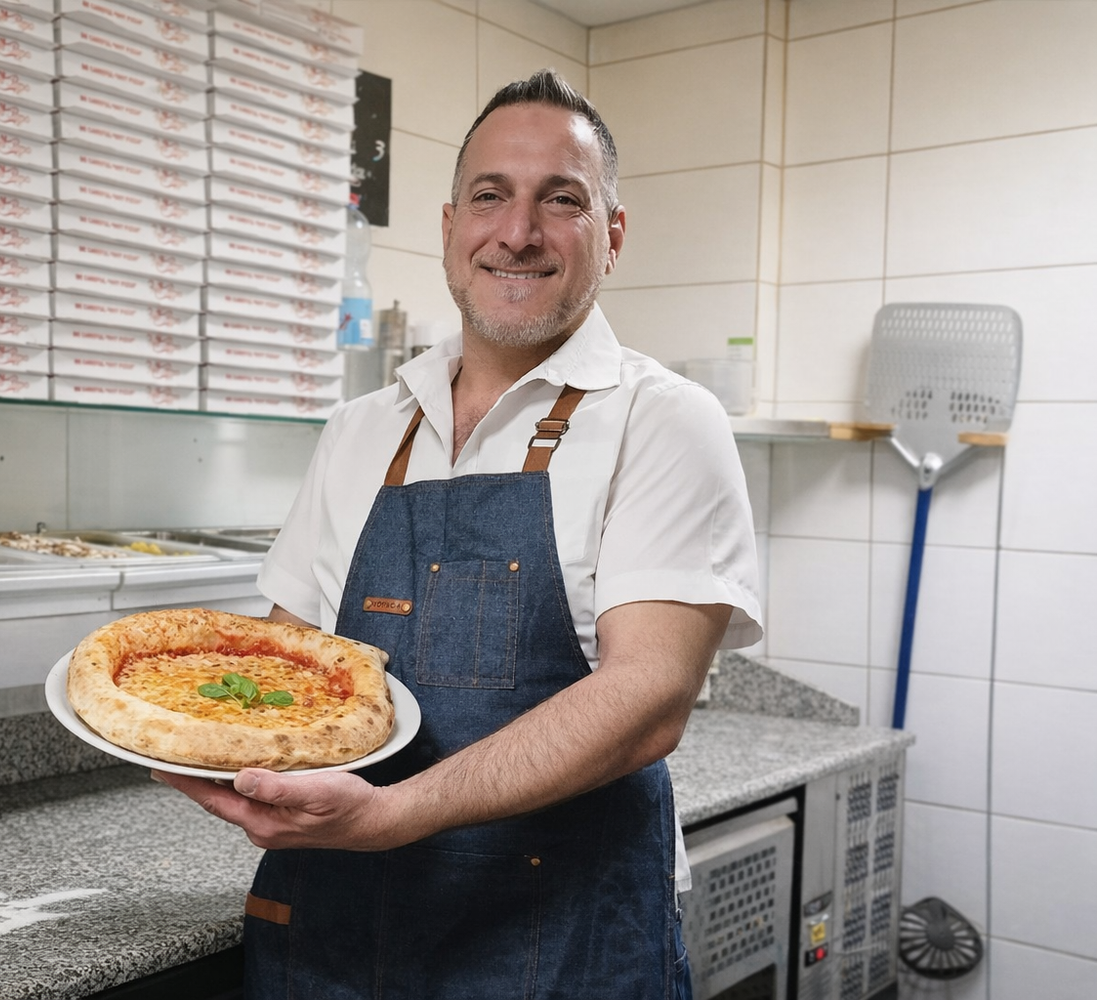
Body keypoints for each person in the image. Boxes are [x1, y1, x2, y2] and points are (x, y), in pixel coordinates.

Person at [156, 69, 762, 999]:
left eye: (560, 201)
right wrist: (189, 739)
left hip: (562, 943)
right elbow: (287, 662)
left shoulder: (664, 419)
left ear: (612, 234)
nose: (517, 233)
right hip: (337, 931)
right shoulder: (362, 428)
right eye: (491, 196)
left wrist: (394, 814)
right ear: (448, 229)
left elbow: (650, 695)